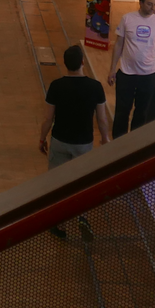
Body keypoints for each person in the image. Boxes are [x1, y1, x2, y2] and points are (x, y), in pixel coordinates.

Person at [40, 45, 110, 241]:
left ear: (65, 64)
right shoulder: (95, 87)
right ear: (82, 62)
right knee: (82, 183)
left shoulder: (56, 86)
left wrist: (42, 138)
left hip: (60, 141)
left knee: (58, 184)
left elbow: (48, 119)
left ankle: (60, 225)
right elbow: (102, 119)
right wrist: (105, 139)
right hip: (84, 144)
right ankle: (82, 217)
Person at [108, 0, 155, 137]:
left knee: (142, 112)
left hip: (148, 75)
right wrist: (112, 69)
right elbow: (118, 45)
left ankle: (135, 142)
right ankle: (118, 142)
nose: (152, 8)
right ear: (140, 3)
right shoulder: (127, 19)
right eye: (149, 4)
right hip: (127, 74)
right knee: (122, 111)